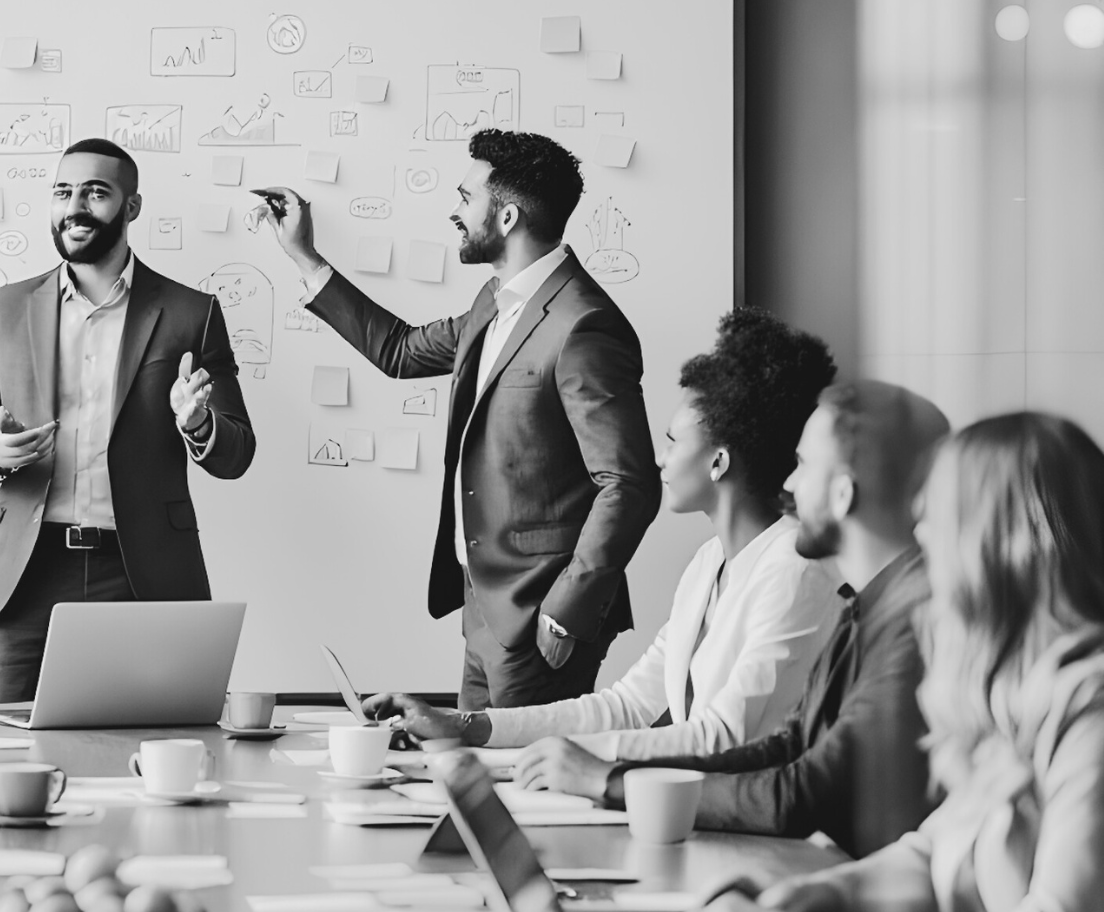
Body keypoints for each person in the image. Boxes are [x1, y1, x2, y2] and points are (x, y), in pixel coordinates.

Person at [255, 129, 658, 707]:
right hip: (481, 608)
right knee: (469, 779)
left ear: (509, 216)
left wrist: (566, 615)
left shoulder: (583, 324)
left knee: (524, 790)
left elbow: (628, 483)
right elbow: (399, 350)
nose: (454, 211)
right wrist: (305, 256)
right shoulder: (493, 304)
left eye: (466, 197)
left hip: (539, 615)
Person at [366, 308, 843, 760]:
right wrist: (464, 724)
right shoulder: (708, 563)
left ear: (718, 462)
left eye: (673, 441)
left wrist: (583, 764)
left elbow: (720, 738)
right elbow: (626, 706)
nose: (658, 457)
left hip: (749, 827)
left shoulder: (794, 569)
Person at [513, 381, 950, 860]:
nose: (786, 484)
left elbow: (802, 792)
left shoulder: (912, 620)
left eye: (803, 466)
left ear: (843, 494)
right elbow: (787, 747)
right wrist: (608, 775)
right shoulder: (865, 604)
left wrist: (606, 778)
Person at [0, 138, 257, 704]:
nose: (75, 206)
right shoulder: (3, 308)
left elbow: (238, 453)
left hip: (143, 578)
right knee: (2, 749)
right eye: (63, 191)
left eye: (96, 192)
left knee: (153, 752)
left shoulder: (192, 313)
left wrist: (199, 424)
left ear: (131, 208)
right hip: (26, 577)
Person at [753, 413, 1104, 911]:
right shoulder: (1010, 699)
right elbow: (932, 850)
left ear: (1000, 544)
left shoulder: (1091, 708)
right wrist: (831, 891)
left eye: (939, 514)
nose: (921, 532)